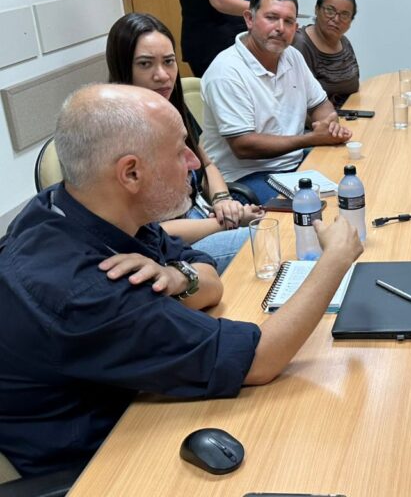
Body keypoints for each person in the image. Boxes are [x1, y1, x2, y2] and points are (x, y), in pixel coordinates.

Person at [0, 84, 362, 477]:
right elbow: (259, 361)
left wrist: (179, 278)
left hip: (127, 398)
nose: (194, 161)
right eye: (178, 151)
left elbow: (208, 280)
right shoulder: (88, 290)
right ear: (131, 173)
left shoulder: (76, 208)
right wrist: (335, 259)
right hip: (97, 464)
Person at [106, 12, 262, 273]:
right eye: (145, 64)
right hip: (166, 250)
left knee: (275, 227)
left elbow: (207, 164)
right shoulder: (116, 134)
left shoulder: (167, 107)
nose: (162, 75)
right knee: (267, 238)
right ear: (123, 67)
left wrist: (223, 199)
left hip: (203, 218)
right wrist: (224, 222)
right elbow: (150, 233)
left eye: (168, 62)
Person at [202, 0, 353, 204]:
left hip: (294, 165)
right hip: (247, 179)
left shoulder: (292, 56)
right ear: (249, 19)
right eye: (271, 18)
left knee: (353, 181)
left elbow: (320, 105)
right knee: (321, 208)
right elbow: (244, 145)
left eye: (288, 21)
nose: (280, 28)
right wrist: (311, 138)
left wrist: (328, 124)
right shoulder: (226, 71)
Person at [291, 0, 360, 106]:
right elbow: (298, 104)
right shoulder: (300, 44)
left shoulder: (344, 42)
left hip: (351, 114)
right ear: (317, 9)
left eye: (344, 15)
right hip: (320, 122)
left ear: (351, 21)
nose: (336, 19)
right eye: (330, 10)